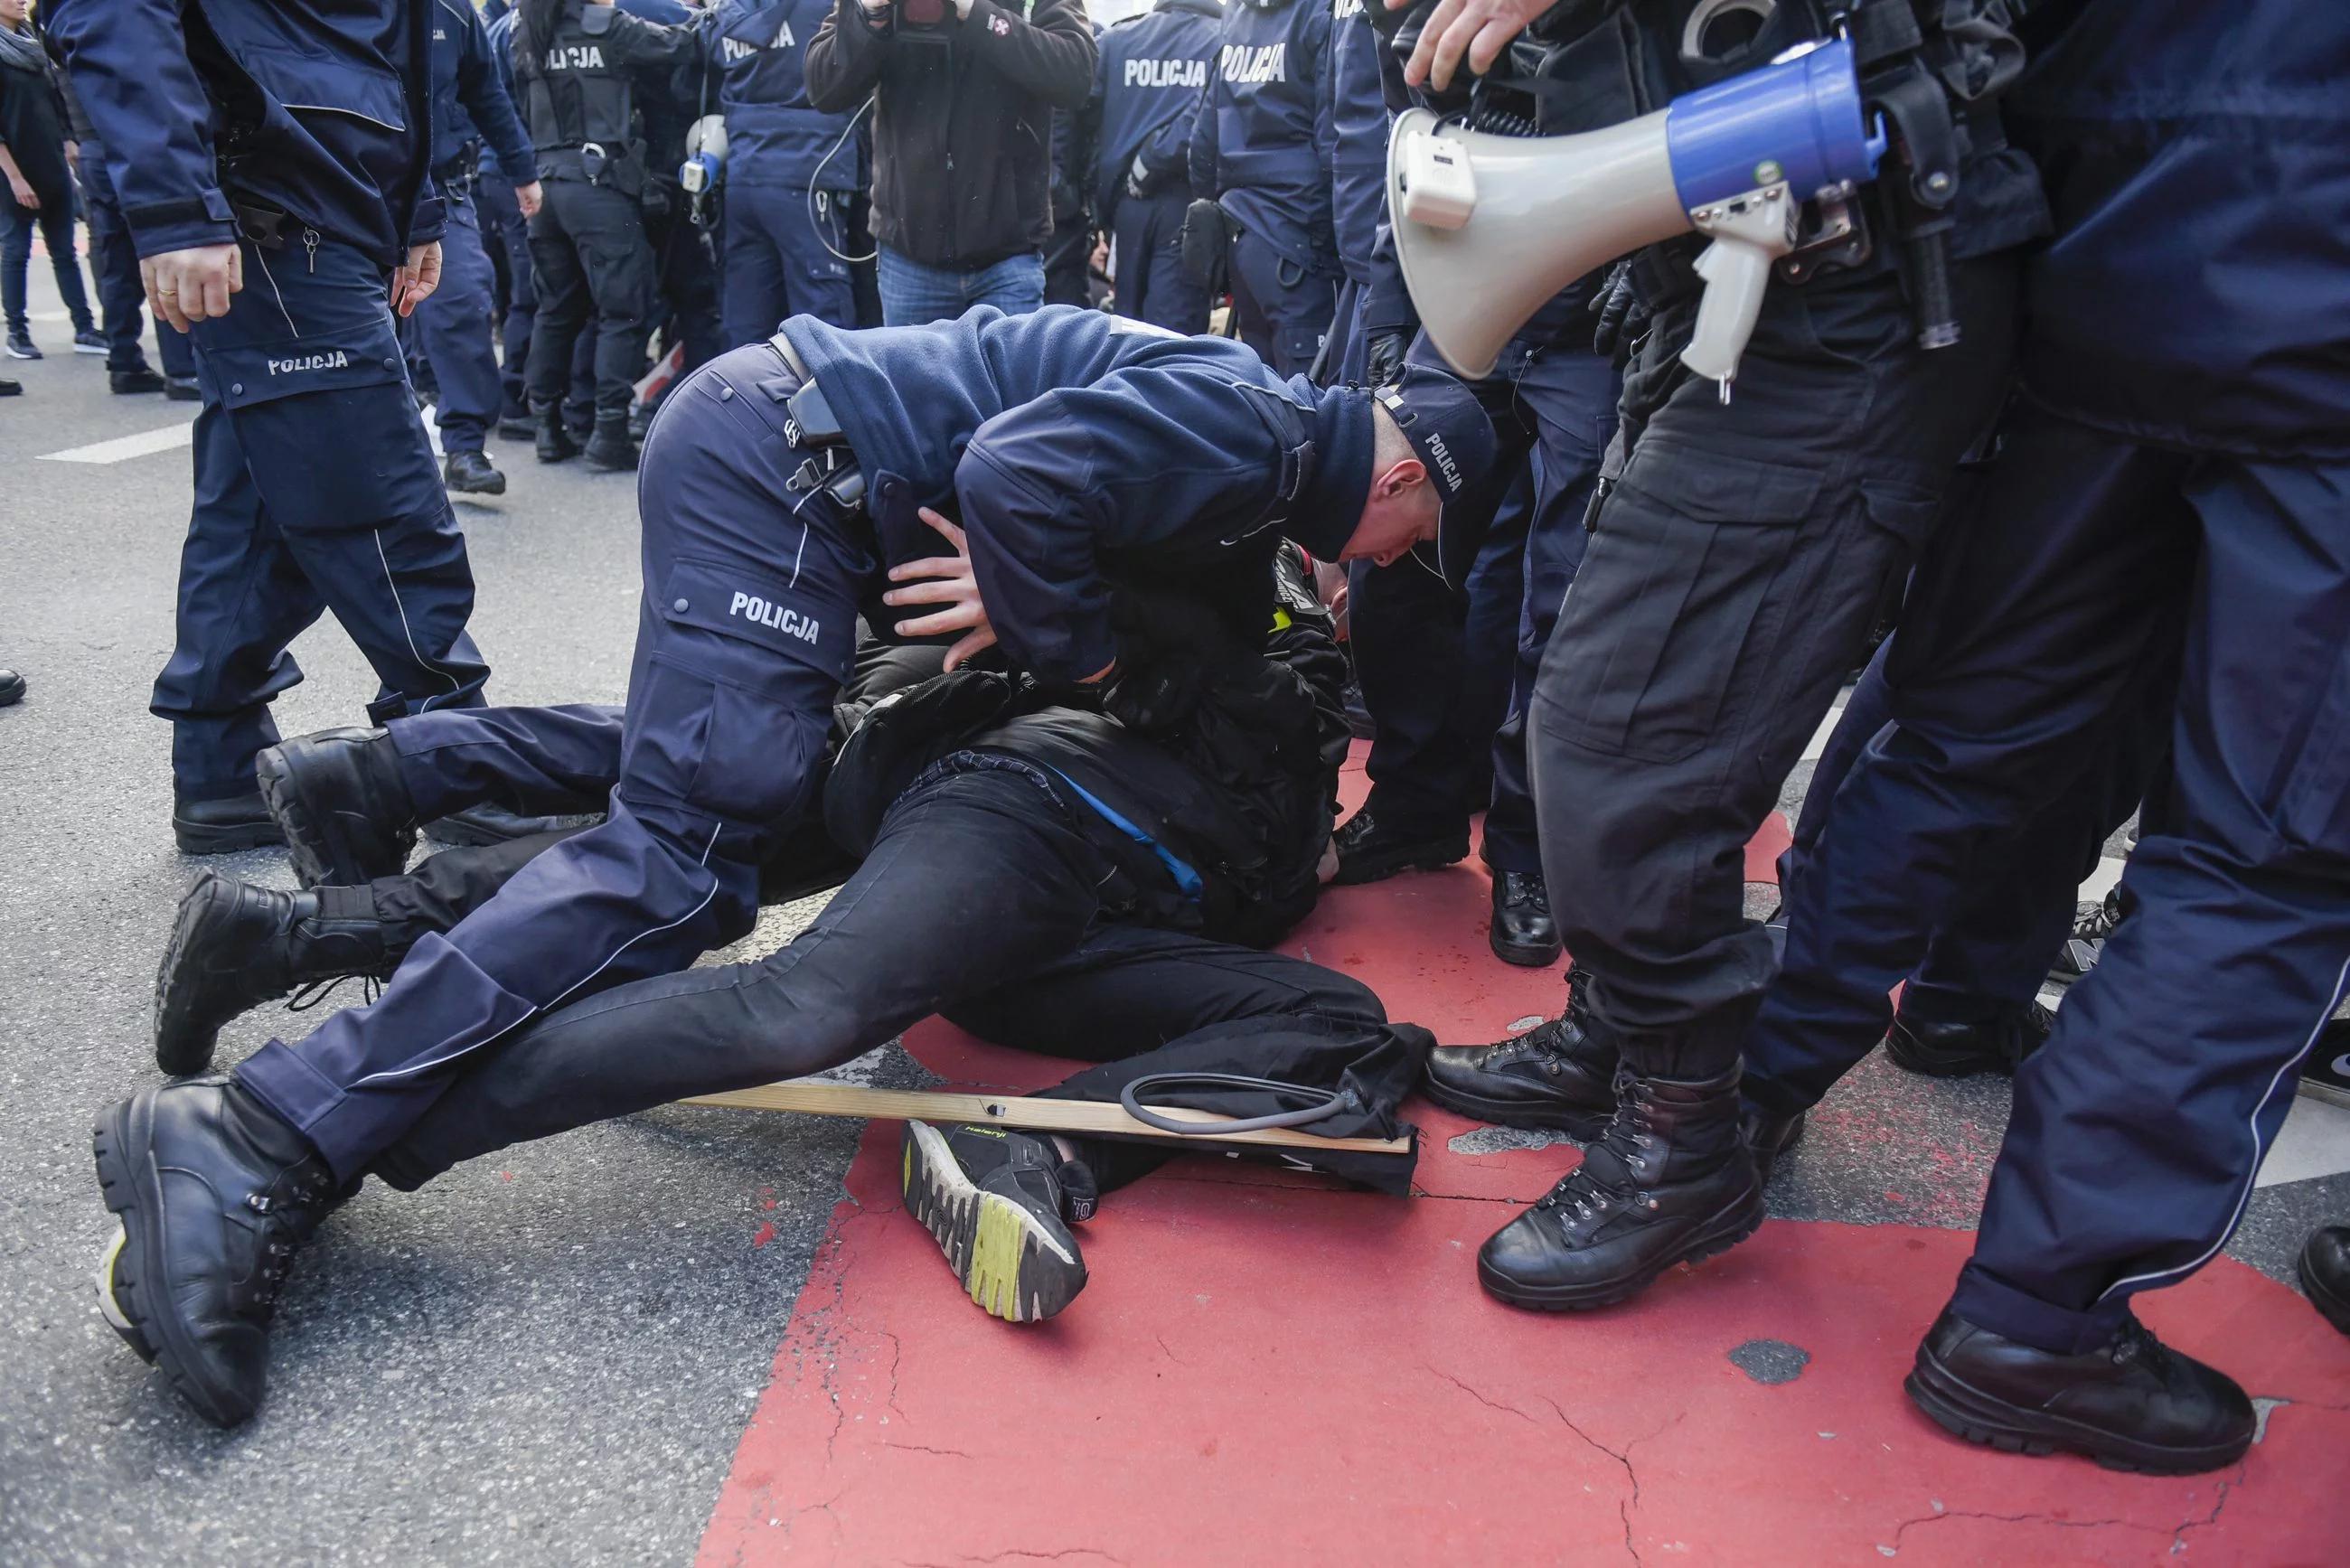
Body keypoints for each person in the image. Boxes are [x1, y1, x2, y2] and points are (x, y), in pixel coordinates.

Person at [88, 302, 1494, 1426]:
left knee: (719, 806)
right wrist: (1094, 645)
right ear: (1401, 472)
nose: (1380, 568)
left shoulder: (1243, 450)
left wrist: (1057, 618)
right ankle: (270, 1131)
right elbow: (1017, 480)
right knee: (689, 853)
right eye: (1410, 538)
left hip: (839, 529)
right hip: (812, 492)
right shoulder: (1251, 437)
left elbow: (1022, 486)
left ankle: (306, 954)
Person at [144, 549, 1427, 1336]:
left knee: (1341, 1021)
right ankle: (318, 1140)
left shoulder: (1264, 647)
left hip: (1048, 885)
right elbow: (1224, 697)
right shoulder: (1255, 606)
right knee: (774, 976)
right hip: (1012, 805)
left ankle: (303, 929)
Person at [1673, 0, 2347, 1474]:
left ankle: (1729, 1101)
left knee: (1958, 731)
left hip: (2115, 251)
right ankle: (2038, 1317)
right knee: (2268, 856)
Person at [1393, 0, 2046, 1310]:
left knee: (1623, 744)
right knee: (1602, 707)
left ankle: (1682, 1139)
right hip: (1723, 259)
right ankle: (1623, 1034)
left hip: (1851, 270)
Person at [49, 0, 494, 855]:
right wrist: (178, 203)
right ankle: (462, 759)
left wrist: (413, 211)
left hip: (332, 197)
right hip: (269, 198)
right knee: (381, 502)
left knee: (255, 512)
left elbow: (391, 34)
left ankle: (218, 767)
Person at [804, 0, 1095, 326]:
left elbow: (1077, 74)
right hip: (909, 255)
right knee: (912, 378)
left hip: (1007, 256)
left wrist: (978, 14)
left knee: (1008, 377)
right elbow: (822, 88)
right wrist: (869, 16)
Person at [512, 0, 704, 472]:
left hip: (546, 186)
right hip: (598, 189)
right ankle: (608, 435)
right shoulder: (606, 25)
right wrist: (711, 14)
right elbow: (679, 44)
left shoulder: (528, 32)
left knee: (556, 310)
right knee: (623, 310)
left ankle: (547, 428)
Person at [412, 0, 543, 497]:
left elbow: (487, 94)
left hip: (441, 188)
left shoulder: (452, 13)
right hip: (354, 189)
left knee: (464, 301)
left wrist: (522, 172)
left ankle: (464, 445)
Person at [1188, 0, 1340, 376]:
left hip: (1245, 240)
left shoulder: (1238, 16)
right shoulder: (1324, 11)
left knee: (1265, 400)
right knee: (1311, 409)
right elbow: (1336, 145)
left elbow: (1203, 144)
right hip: (1300, 249)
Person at [42, 30, 189, 394]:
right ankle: (183, 369)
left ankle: (124, 361)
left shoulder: (63, 43)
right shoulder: (110, 37)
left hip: (94, 151)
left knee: (117, 261)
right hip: (128, 148)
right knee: (164, 247)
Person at [710, 0, 861, 346]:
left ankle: (744, 399)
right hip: (809, 174)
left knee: (747, 320)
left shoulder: (730, 12)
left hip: (744, 175)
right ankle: (831, 399)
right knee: (824, 323)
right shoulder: (825, 7)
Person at [1092, 0, 1221, 334]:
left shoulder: (1117, 40)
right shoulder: (1225, 39)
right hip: (1188, 207)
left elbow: (1082, 130)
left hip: (1126, 208)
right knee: (1174, 341)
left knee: (1125, 332)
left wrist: (1097, 211)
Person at [0, 0, 99, 361]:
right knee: (15, 251)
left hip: (52, 165)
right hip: (13, 172)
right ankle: (18, 333)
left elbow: (55, 103)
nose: (21, 1)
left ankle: (85, 328)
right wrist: (15, 178)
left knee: (65, 251)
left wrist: (69, 141)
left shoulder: (33, 45)